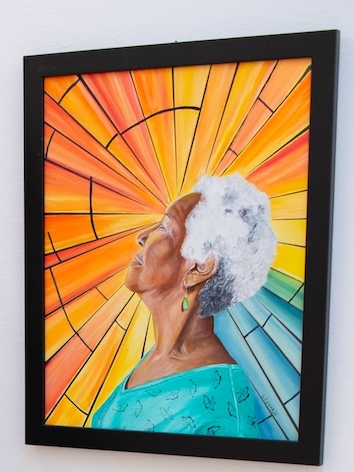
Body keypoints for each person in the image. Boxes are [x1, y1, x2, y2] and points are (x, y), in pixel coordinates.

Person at [89, 174, 277, 436]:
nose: (142, 236)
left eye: (165, 228)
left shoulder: (221, 405)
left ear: (199, 268)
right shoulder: (157, 357)